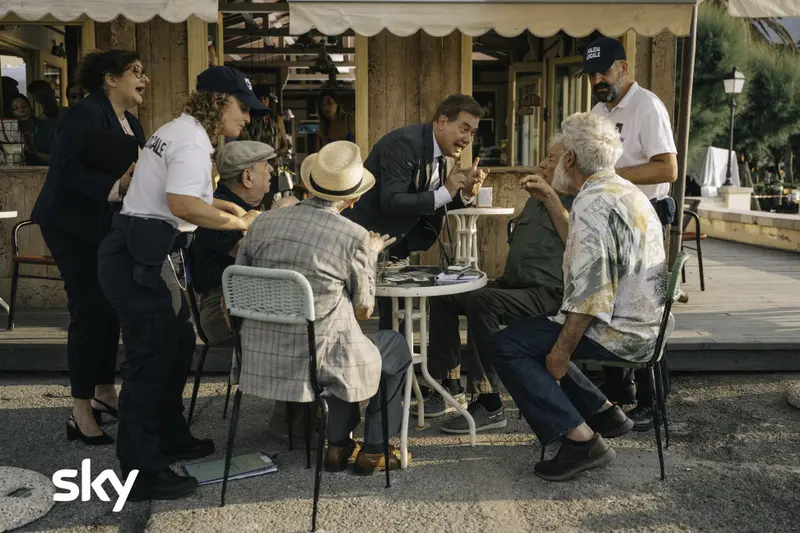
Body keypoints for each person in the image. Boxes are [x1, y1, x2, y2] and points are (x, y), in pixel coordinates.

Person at [97, 65, 265, 501]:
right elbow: (183, 205)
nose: (247, 117)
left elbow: (189, 201)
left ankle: (170, 437)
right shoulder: (190, 141)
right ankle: (141, 472)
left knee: (177, 345)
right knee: (149, 361)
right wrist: (240, 222)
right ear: (219, 102)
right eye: (243, 107)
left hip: (146, 248)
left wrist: (234, 214)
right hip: (139, 252)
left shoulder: (182, 131)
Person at [488, 112, 669, 481]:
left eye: (556, 156)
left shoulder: (592, 203)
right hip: (649, 324)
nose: (551, 162)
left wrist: (560, 353)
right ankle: (603, 412)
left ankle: (582, 441)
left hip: (623, 332)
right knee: (535, 330)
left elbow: (590, 297)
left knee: (507, 346)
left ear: (569, 159)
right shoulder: (625, 191)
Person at [236, 141, 413, 473]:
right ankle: (374, 449)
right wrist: (371, 255)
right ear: (353, 199)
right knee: (391, 346)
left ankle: (338, 446)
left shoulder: (262, 224)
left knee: (336, 338)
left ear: (309, 184)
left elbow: (240, 283)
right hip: (317, 358)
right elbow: (364, 309)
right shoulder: (353, 235)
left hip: (261, 355)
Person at [29, 51, 148, 445]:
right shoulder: (82, 114)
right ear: (110, 78)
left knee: (110, 305)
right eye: (136, 71)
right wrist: (118, 186)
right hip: (70, 225)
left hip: (105, 226)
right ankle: (80, 410)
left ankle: (104, 392)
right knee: (89, 309)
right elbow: (65, 169)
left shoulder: (131, 122)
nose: (144, 79)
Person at [425, 136, 573, 432]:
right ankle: (448, 385)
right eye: (544, 157)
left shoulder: (576, 199)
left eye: (550, 158)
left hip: (548, 293)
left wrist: (551, 197)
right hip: (516, 285)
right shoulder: (536, 198)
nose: (542, 163)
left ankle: (490, 403)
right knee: (445, 293)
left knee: (482, 301)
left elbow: (575, 241)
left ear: (569, 164)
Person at [584, 36, 677, 428]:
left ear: (623, 68)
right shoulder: (597, 111)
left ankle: (655, 400)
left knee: (642, 307)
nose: (597, 81)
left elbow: (668, 168)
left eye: (603, 72)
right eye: (591, 75)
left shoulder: (646, 106)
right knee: (610, 305)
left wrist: (614, 175)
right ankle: (620, 393)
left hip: (645, 217)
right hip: (611, 217)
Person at [343, 93, 488, 330]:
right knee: (352, 318)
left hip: (396, 246)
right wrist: (447, 190)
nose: (467, 138)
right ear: (442, 121)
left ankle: (398, 353)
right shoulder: (404, 144)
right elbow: (392, 200)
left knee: (397, 322)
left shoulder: (442, 151)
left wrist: (466, 193)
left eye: (472, 132)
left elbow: (435, 202)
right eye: (464, 129)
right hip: (364, 242)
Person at [191, 140, 276, 346]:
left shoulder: (238, 206)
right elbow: (252, 254)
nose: (271, 171)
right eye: (266, 166)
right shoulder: (218, 212)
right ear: (247, 177)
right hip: (221, 308)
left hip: (243, 301)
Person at [7, 94, 54, 165]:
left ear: (31, 107)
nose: (22, 110)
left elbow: (58, 159)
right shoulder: (9, 133)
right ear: (11, 113)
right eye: (16, 108)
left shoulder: (47, 127)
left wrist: (37, 154)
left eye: (24, 106)